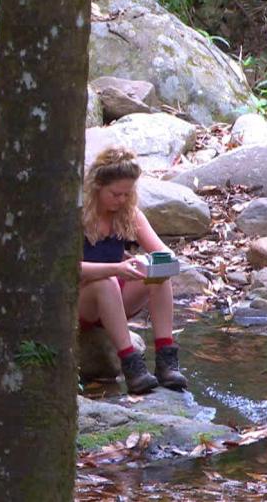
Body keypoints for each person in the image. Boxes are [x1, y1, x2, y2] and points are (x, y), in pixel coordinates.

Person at [79, 147, 187, 394]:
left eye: (127, 194)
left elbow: (162, 251)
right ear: (97, 187)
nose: (122, 200)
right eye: (115, 194)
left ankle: (166, 359)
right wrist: (117, 268)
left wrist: (158, 261)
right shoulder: (79, 216)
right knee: (106, 281)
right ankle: (131, 364)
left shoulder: (129, 213)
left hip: (117, 299)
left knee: (157, 274)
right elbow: (67, 269)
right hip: (82, 301)